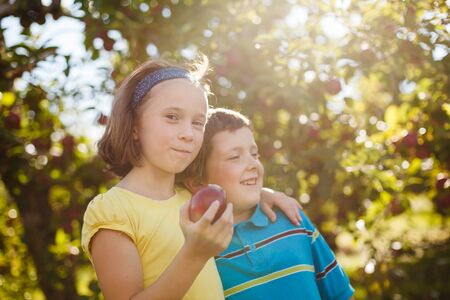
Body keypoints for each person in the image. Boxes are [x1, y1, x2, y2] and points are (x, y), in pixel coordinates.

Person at [81, 56, 302, 300]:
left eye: (198, 122)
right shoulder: (113, 211)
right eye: (172, 117)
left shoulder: (195, 197)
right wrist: (194, 255)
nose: (188, 134)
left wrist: (263, 194)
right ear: (134, 125)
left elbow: (232, 187)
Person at [182, 108, 355, 299]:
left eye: (254, 154)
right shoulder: (200, 248)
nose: (253, 164)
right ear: (198, 182)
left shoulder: (292, 218)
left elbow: (341, 294)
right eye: (234, 157)